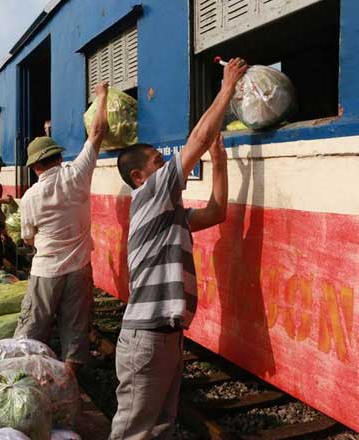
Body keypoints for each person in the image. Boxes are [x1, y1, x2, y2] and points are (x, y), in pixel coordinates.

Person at [109, 57, 248, 440]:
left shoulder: (167, 214)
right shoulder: (149, 193)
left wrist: (219, 163)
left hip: (166, 336)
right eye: (158, 162)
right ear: (140, 176)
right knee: (134, 432)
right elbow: (198, 140)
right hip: (148, 337)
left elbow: (217, 213)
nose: (166, 165)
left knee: (158, 429)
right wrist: (227, 86)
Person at [13, 81, 110, 376]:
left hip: (47, 271)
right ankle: (69, 383)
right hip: (79, 268)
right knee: (75, 330)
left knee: (33, 328)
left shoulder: (30, 197)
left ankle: (29, 379)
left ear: (35, 166)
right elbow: (97, 133)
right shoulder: (78, 175)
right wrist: (102, 96)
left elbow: (28, 238)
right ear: (58, 157)